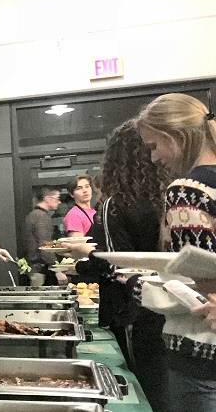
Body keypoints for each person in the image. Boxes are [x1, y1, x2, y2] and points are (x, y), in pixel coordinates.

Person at [72, 120, 170, 412]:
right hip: (169, 304)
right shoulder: (163, 194)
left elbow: (120, 266)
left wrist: (82, 264)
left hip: (135, 309)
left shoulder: (116, 203)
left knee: (149, 389)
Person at [135, 92, 216, 411]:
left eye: (154, 146)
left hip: (201, 351)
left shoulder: (186, 191)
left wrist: (143, 284)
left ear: (176, 135)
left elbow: (203, 283)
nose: (154, 159)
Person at [21, 186, 61, 284]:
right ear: (48, 199)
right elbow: (45, 246)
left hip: (32, 268)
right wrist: (57, 269)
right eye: (57, 198)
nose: (59, 202)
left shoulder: (33, 215)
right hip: (39, 270)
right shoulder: (42, 217)